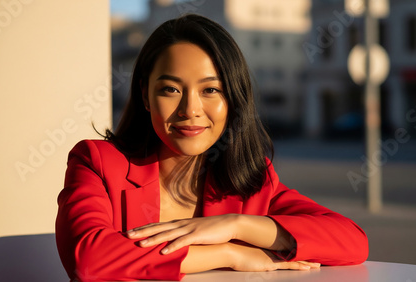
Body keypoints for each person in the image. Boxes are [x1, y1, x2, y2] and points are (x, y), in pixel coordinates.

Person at [55, 14, 368, 282]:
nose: (190, 109)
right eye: (170, 89)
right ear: (145, 95)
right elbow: (89, 259)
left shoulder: (250, 180)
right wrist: (227, 253)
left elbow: (352, 242)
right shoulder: (97, 162)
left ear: (232, 99)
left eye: (211, 90)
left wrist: (235, 225)